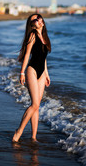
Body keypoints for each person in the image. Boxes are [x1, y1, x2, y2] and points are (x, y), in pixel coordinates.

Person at [12, 14, 51, 142]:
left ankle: (34, 137)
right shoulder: (32, 35)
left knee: (37, 106)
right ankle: (19, 131)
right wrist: (22, 72)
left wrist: (46, 74)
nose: (39, 20)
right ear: (32, 24)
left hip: (41, 73)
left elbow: (44, 59)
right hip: (32, 70)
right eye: (35, 19)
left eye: (39, 17)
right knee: (34, 104)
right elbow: (27, 54)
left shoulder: (45, 37)